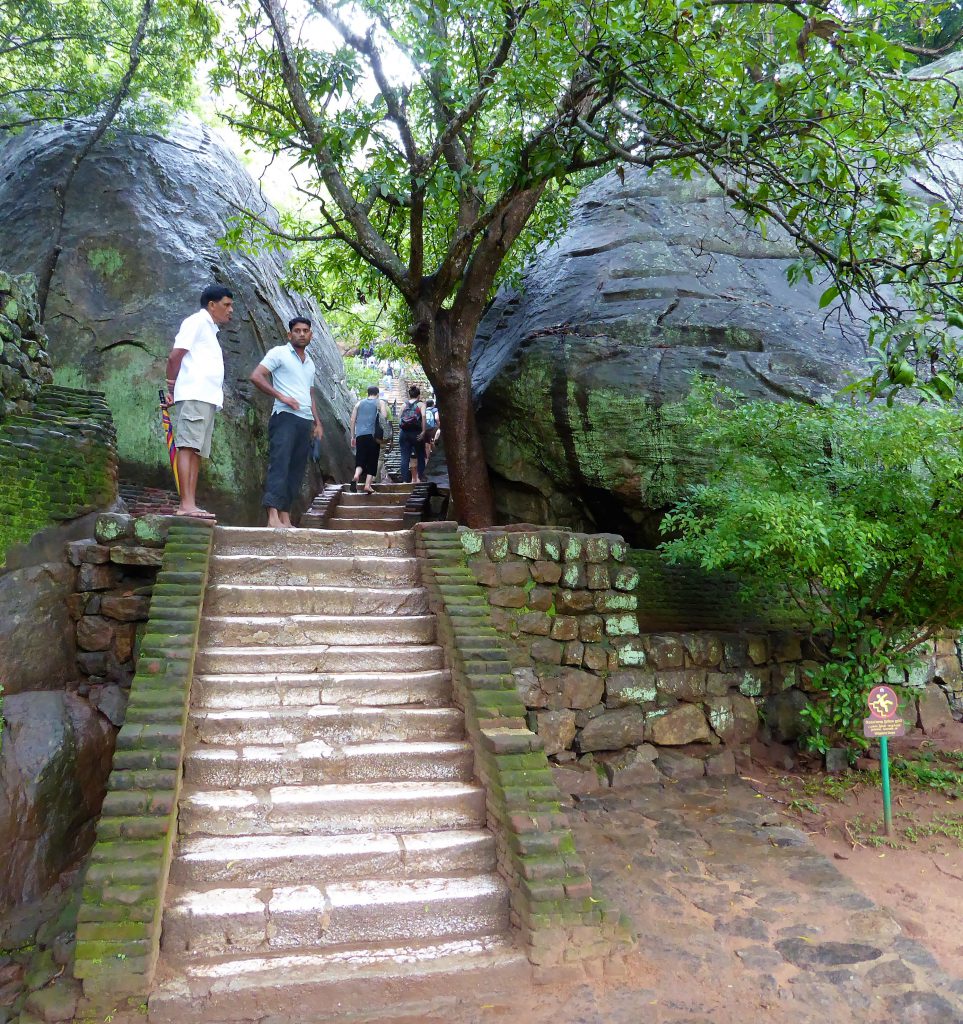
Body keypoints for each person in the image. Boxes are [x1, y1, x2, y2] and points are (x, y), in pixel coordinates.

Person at [165, 284, 234, 519]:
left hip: (206, 397)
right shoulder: (195, 322)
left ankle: (191, 503)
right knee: (187, 446)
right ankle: (185, 504)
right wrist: (171, 386)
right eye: (226, 305)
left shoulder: (211, 330)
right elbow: (176, 355)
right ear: (211, 305)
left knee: (196, 450)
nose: (230, 310)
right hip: (194, 394)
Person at [249, 316, 324, 528]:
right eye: (297, 330)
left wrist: (317, 422)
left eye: (306, 330)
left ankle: (285, 516)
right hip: (284, 417)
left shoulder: (310, 363)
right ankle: (272, 516)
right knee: (280, 464)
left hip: (305, 420)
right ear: (289, 334)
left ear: (311, 335)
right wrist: (281, 396)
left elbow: (310, 394)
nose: (302, 334)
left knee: (296, 469)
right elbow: (256, 376)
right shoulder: (279, 353)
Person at [349, 385, 388, 495]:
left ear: (368, 393)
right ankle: (367, 485)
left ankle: (356, 475)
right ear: (377, 393)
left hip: (360, 436)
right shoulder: (379, 402)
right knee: (372, 460)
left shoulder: (359, 403)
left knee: (360, 459)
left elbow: (352, 420)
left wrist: (353, 436)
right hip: (373, 436)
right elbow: (384, 417)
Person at [397, 384, 428, 484]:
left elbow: (399, 418)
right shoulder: (421, 405)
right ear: (418, 395)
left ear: (409, 395)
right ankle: (421, 476)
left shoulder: (403, 405)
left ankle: (405, 480)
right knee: (420, 454)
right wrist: (423, 431)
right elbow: (423, 416)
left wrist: (401, 429)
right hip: (416, 433)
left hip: (404, 433)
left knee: (404, 456)